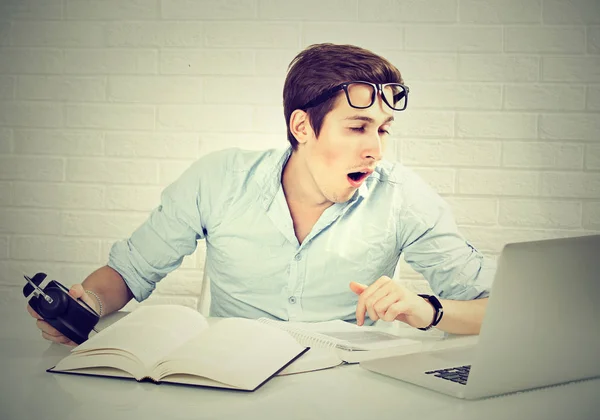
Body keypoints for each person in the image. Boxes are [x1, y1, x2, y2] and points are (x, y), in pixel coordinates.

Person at [28, 43, 495, 346]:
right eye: (357, 127)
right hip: (228, 384)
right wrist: (84, 306)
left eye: (383, 129)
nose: (375, 149)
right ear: (301, 126)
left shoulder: (402, 196)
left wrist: (426, 309)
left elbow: (496, 308)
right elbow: (128, 273)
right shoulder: (218, 180)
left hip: (348, 390)